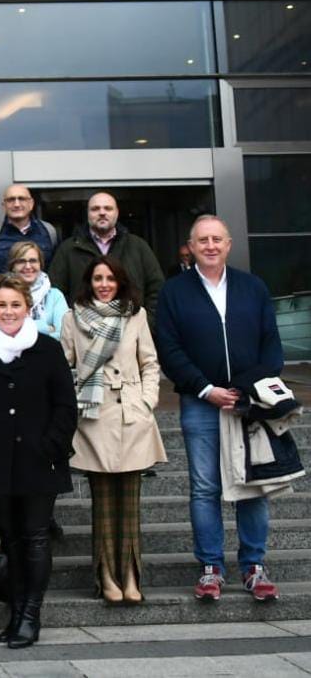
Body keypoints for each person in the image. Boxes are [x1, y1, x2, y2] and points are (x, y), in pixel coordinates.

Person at [156, 214, 284, 602]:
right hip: (200, 403)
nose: (210, 246)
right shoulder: (174, 291)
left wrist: (246, 391)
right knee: (205, 488)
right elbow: (169, 348)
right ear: (190, 247)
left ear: (228, 245)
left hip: (249, 404)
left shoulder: (253, 287)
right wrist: (206, 387)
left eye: (217, 239)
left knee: (252, 485)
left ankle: (254, 566)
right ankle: (211, 567)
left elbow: (271, 345)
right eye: (202, 240)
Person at [0, 275, 77, 650]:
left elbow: (65, 404)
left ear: (28, 308)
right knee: (9, 538)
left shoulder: (47, 349)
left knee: (36, 537)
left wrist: (51, 445)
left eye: (16, 305)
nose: (9, 311)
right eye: (2, 305)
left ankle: (31, 614)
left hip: (38, 460)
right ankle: (15, 609)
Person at [59, 257, 166, 605]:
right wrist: (80, 395)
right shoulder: (72, 318)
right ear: (89, 282)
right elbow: (64, 367)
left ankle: (132, 574)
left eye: (110, 278)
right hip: (94, 418)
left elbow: (150, 362)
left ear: (120, 282)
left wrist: (146, 400)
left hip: (132, 414)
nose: (104, 284)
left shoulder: (135, 316)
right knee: (103, 504)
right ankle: (105, 576)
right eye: (97, 278)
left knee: (130, 504)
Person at [49, 191, 165, 326]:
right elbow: (55, 294)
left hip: (131, 334)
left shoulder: (138, 247)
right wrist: (73, 327)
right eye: (95, 209)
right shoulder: (68, 249)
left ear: (117, 213)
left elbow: (157, 291)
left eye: (108, 208)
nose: (102, 212)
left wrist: (145, 326)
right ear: (87, 214)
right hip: (83, 334)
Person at [0, 184, 59, 277]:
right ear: (4, 206)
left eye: (22, 199)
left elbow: (56, 272)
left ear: (31, 204)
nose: (16, 204)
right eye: (11, 200)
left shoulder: (49, 232)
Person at [9, 240, 68, 340]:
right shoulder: (4, 295)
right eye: (21, 261)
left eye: (33, 261)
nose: (28, 266)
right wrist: (46, 328)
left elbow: (63, 335)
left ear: (40, 264)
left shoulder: (55, 296)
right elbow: (6, 332)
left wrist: (22, 329)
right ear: (13, 267)